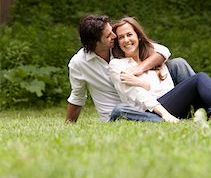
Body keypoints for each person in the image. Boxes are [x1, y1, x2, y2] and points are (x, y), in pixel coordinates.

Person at [65, 14, 195, 122]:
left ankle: (209, 111)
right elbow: (77, 97)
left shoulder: (119, 47)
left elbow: (163, 51)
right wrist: (68, 126)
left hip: (144, 101)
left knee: (178, 64)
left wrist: (140, 69)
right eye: (108, 35)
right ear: (95, 43)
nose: (115, 37)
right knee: (120, 109)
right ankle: (171, 120)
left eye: (112, 32)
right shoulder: (79, 63)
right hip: (125, 112)